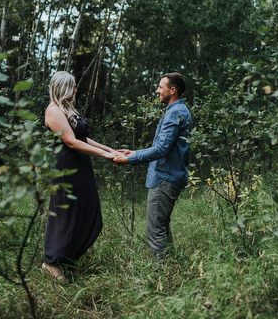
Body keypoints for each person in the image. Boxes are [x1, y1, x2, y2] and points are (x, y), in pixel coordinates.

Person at [42, 71, 118, 280]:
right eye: (73, 86)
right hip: (66, 168)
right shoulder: (53, 111)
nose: (76, 90)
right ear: (63, 87)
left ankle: (72, 257)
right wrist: (104, 154)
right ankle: (52, 262)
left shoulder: (68, 109)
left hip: (81, 165)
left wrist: (110, 150)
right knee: (66, 213)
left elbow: (84, 138)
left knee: (86, 210)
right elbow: (71, 142)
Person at [114, 72, 192, 260]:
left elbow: (161, 149)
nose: (157, 90)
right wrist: (133, 152)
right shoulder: (178, 111)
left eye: (160, 87)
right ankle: (171, 270)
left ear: (172, 90)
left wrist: (130, 160)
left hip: (164, 178)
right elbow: (163, 146)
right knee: (162, 227)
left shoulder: (175, 113)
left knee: (155, 230)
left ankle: (163, 277)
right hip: (170, 176)